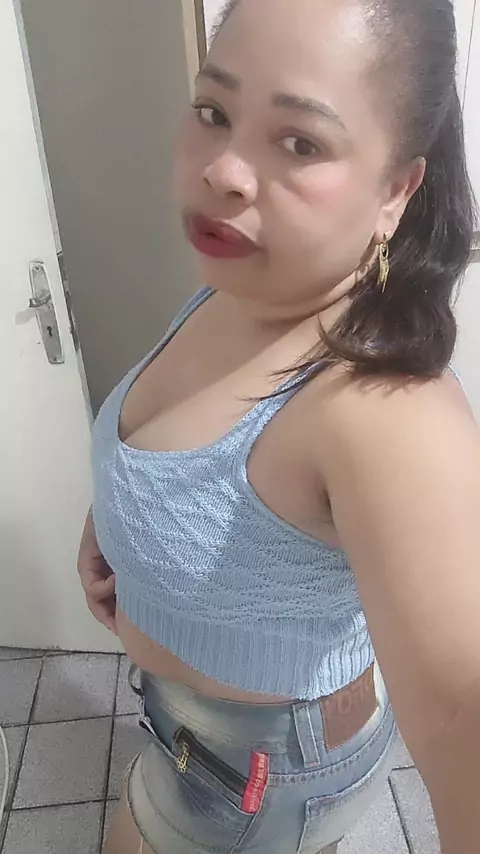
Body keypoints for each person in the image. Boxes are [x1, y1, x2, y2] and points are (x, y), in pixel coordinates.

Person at [78, 0, 480, 851]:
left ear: (396, 190)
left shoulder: (386, 411)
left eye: (300, 142)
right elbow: (172, 443)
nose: (224, 170)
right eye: (213, 110)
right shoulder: (236, 285)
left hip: (260, 769)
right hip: (189, 722)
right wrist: (113, 520)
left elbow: (462, 714)